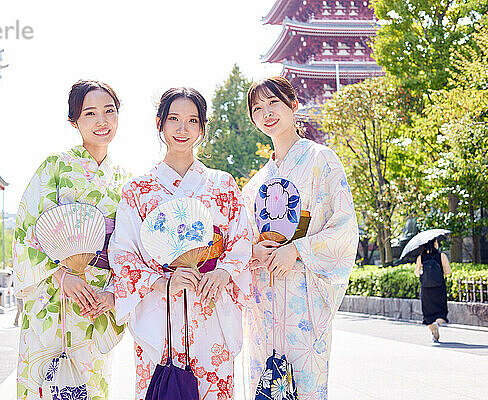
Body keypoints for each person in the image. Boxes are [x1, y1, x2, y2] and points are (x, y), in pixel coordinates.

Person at [109, 87, 252, 400]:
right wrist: (161, 282)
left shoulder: (222, 184)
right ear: (159, 123)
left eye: (192, 120)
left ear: (202, 128)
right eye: (173, 119)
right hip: (159, 313)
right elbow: (123, 252)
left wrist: (225, 271)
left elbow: (242, 239)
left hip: (210, 308)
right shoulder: (139, 190)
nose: (182, 129)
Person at [241, 76, 359, 400]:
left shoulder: (322, 160)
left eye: (273, 103)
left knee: (305, 387)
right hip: (263, 302)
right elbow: (240, 240)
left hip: (303, 298)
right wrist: (253, 250)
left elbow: (345, 226)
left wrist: (296, 250)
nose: (266, 113)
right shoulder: (253, 185)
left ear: (294, 105)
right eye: (257, 108)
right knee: (263, 386)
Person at [12, 80, 129, 400]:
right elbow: (26, 230)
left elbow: (131, 248)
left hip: (97, 300)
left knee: (92, 386)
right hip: (54, 297)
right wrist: (62, 274)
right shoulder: (55, 167)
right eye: (90, 113)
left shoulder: (126, 180)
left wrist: (115, 295)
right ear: (74, 121)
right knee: (47, 383)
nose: (102, 121)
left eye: (110, 111)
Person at [414, 239, 451, 342]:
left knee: (428, 315)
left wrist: (421, 269)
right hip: (439, 288)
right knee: (441, 312)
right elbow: (448, 272)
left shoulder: (421, 257)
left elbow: (417, 273)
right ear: (435, 244)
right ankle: (437, 324)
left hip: (426, 290)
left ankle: (433, 330)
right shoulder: (441, 256)